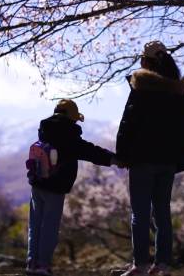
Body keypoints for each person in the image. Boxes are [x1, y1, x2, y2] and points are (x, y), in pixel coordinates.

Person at [116, 41, 184, 276]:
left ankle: (140, 265)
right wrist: (177, 153)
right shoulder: (178, 91)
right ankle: (162, 265)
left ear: (147, 62)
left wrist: (123, 154)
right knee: (162, 213)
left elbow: (128, 123)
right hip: (168, 161)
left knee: (139, 214)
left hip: (142, 159)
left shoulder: (141, 87)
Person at [26, 99, 124, 276]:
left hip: (37, 183)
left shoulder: (44, 130)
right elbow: (90, 151)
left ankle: (32, 264)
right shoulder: (69, 135)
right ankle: (42, 266)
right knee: (50, 226)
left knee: (35, 224)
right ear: (71, 117)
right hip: (55, 186)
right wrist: (113, 159)